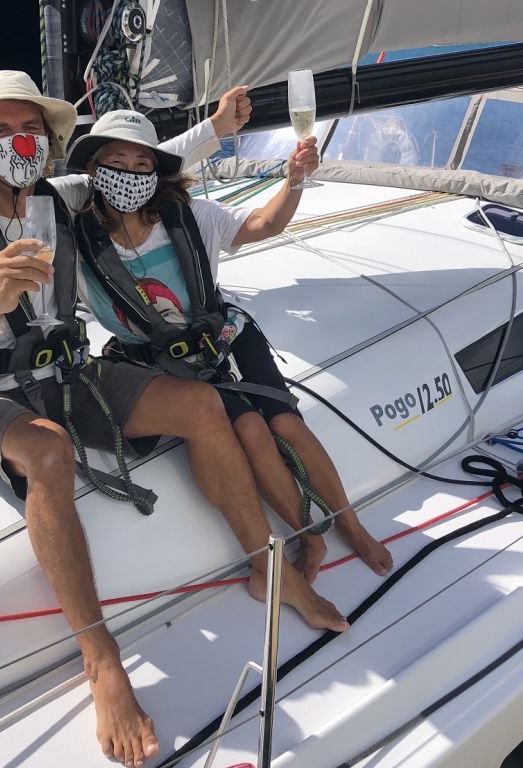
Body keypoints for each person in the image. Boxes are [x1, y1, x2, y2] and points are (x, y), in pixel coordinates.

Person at [0, 70, 347, 768]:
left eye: (32, 130)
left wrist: (217, 131)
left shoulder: (62, 195)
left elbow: (132, 166)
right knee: (48, 455)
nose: (21, 143)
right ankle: (102, 658)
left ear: (48, 143)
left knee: (203, 406)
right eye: (1, 132)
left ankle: (271, 571)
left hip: (68, 370)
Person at [66, 110, 393, 588]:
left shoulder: (191, 215)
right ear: (94, 171)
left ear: (157, 172)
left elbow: (262, 224)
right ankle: (311, 534)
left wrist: (295, 181)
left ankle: (351, 524)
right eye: (116, 161)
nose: (130, 175)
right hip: (158, 361)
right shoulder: (75, 241)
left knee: (285, 423)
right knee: (255, 434)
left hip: (224, 337)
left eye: (143, 165)